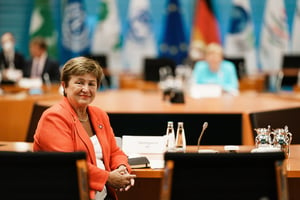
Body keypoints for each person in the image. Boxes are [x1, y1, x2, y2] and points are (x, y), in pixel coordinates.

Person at [33, 56, 135, 200]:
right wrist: (108, 178)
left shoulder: (99, 115)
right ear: (64, 85)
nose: (86, 89)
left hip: (102, 195)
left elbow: (115, 151)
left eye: (91, 84)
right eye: (79, 83)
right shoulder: (54, 117)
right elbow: (69, 165)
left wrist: (122, 168)